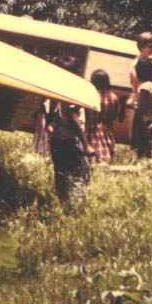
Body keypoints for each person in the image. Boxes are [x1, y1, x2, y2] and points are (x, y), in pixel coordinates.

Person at [47, 56, 95, 202]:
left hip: (56, 139)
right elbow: (74, 120)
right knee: (79, 173)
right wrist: (86, 144)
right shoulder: (72, 91)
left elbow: (50, 117)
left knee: (60, 172)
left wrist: (52, 130)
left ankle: (62, 201)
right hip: (70, 139)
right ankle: (77, 206)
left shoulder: (56, 90)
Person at [84, 69, 122, 164]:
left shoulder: (89, 95)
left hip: (90, 128)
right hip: (106, 131)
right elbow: (114, 116)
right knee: (105, 154)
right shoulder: (113, 97)